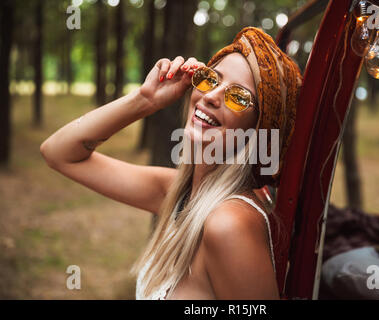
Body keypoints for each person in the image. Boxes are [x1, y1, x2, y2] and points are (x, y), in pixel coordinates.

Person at [40, 27, 302, 300]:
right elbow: (58, 152)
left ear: (259, 129)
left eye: (238, 97)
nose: (211, 96)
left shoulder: (228, 224)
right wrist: (145, 100)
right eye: (210, 79)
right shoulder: (178, 194)